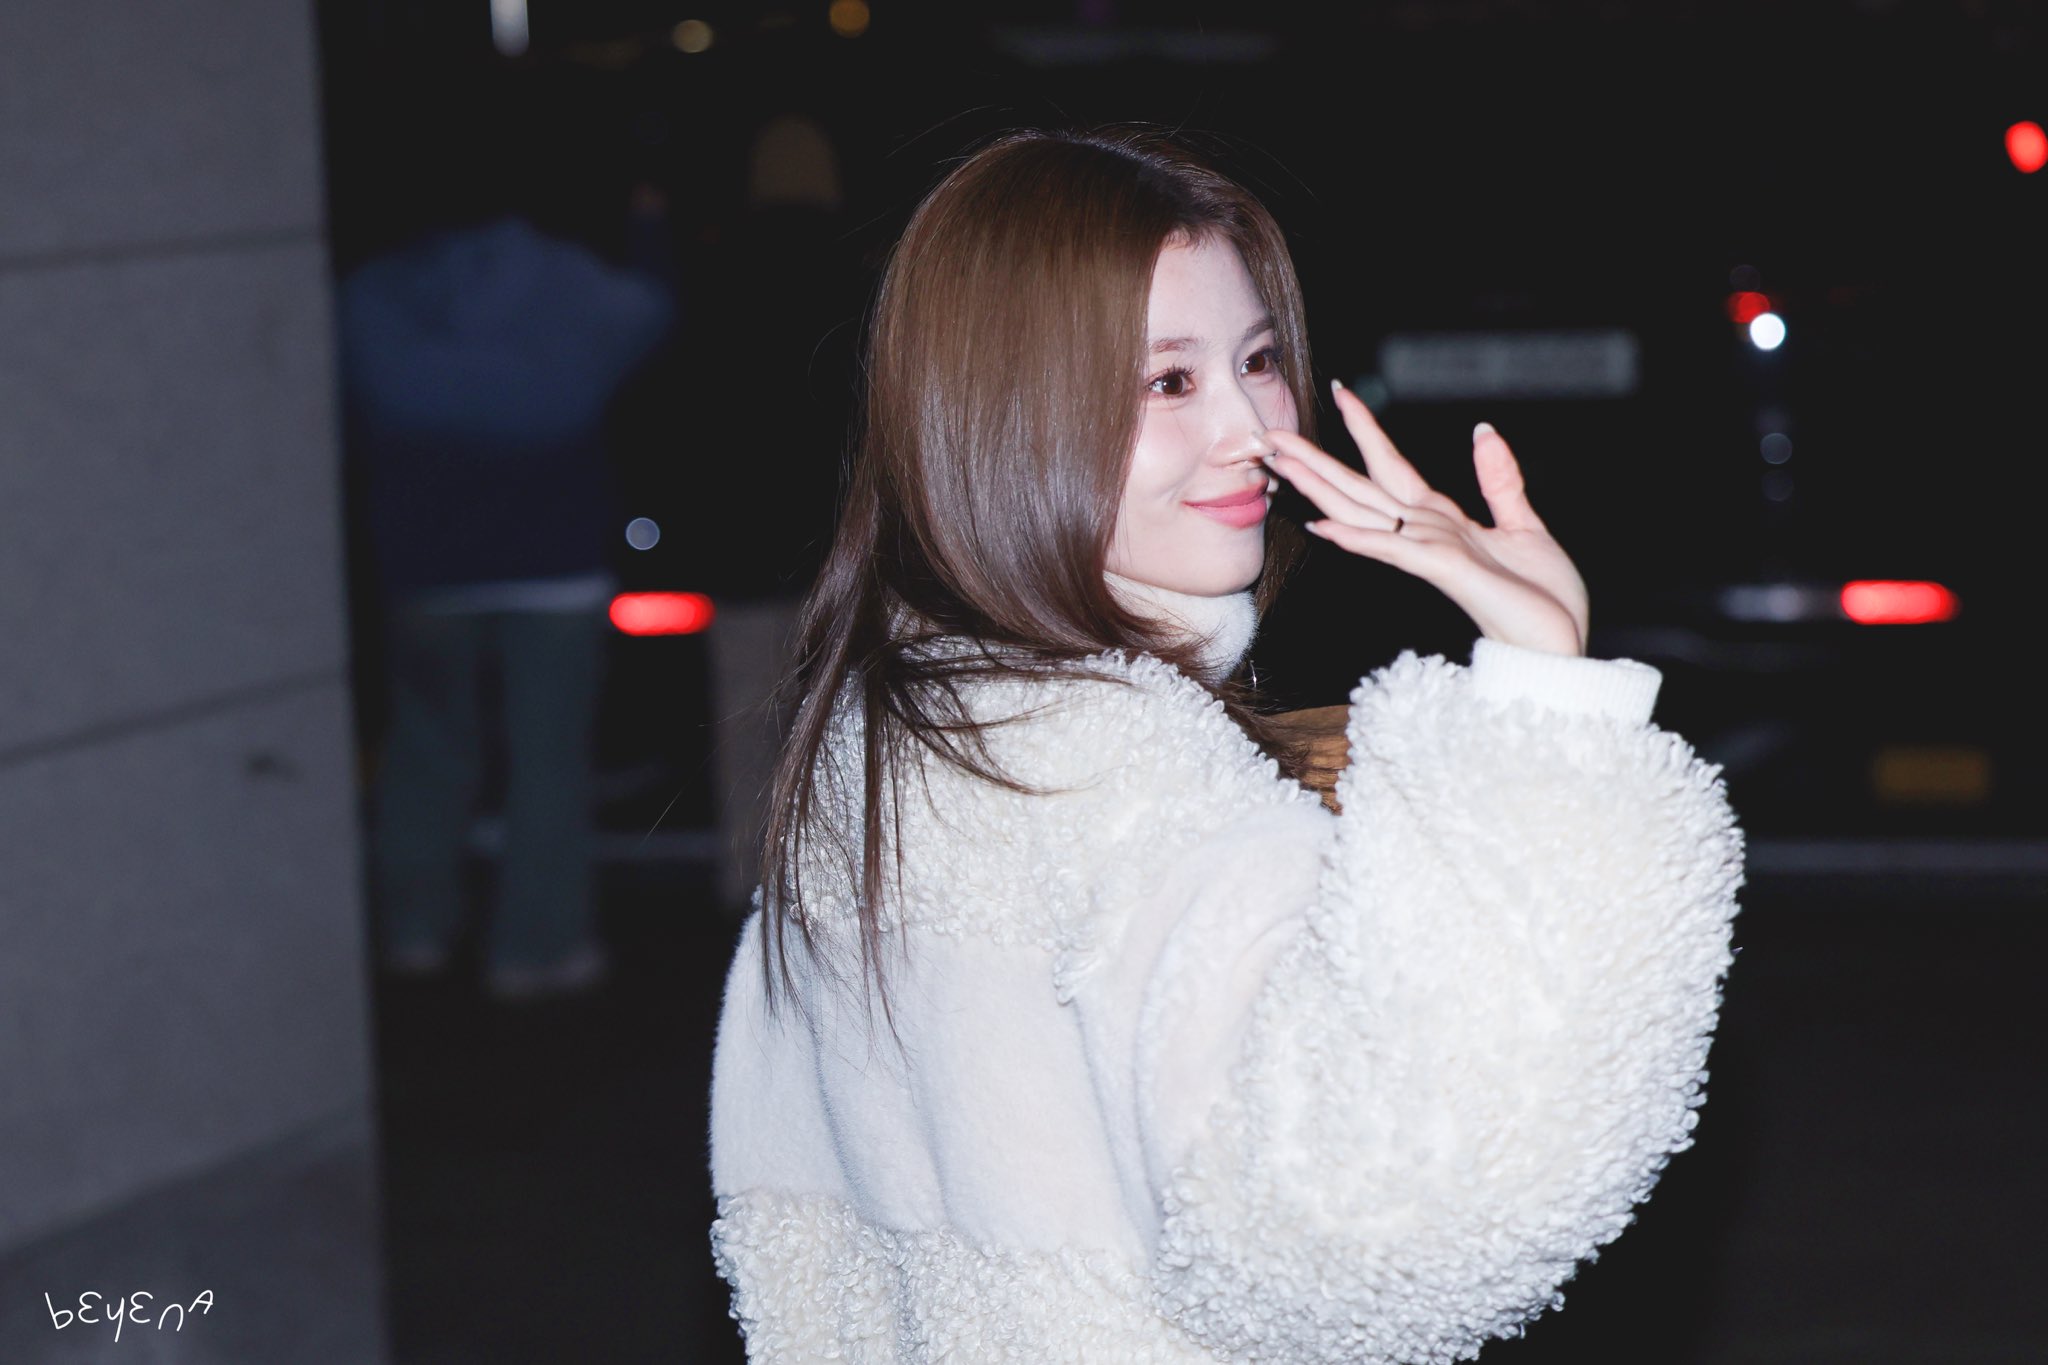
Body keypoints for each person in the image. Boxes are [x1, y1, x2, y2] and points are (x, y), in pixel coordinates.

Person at [706, 127, 1744, 1362]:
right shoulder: (1109, 773)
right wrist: (1548, 702)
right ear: (1005, 414)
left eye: (1257, 361)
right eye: (1167, 383)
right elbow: (1376, 1226)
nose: (1250, 427)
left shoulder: (898, 725)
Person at [340, 187, 674, 1002]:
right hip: (553, 565)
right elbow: (652, 312)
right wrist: (649, 226)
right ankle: (536, 946)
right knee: (547, 761)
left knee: (424, 752)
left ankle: (414, 929)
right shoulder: (568, 284)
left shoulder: (379, 293)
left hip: (423, 564)